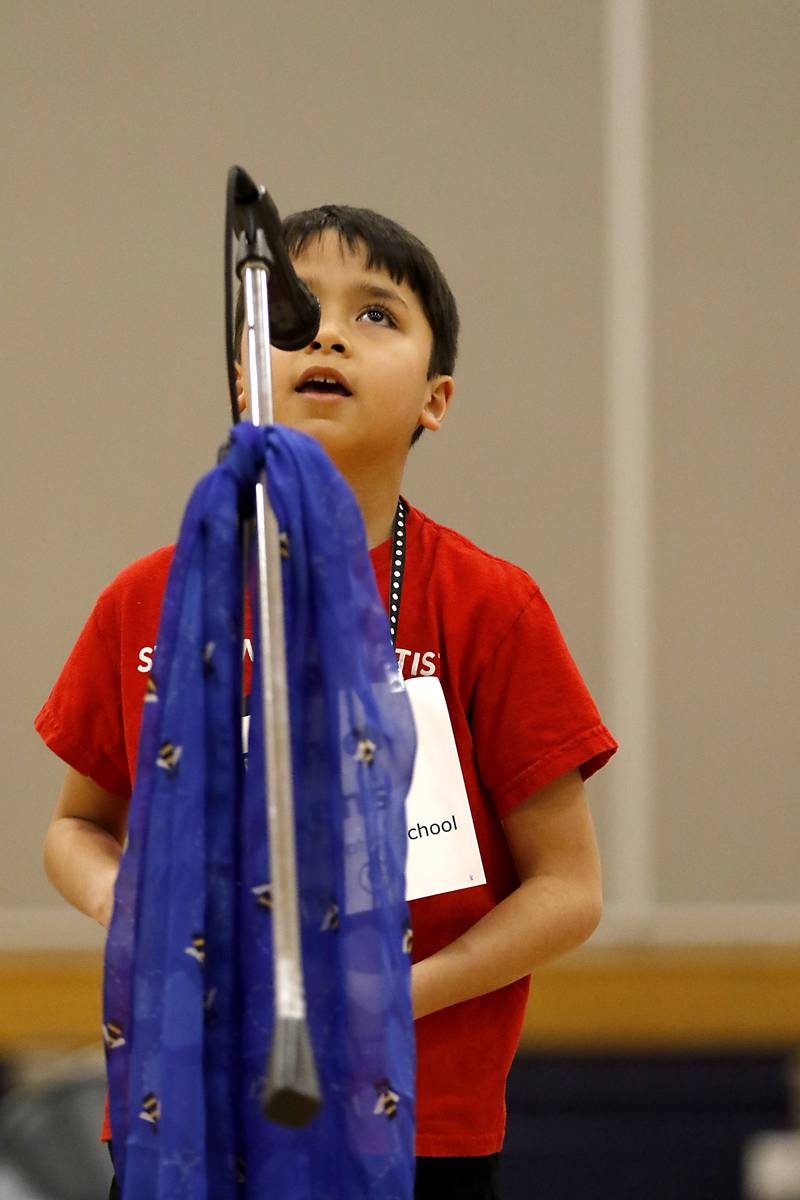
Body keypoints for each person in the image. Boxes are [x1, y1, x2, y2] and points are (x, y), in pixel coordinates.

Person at [36, 205, 619, 1200]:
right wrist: (140, 911)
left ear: (435, 400)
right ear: (240, 382)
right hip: (190, 1102)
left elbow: (567, 891)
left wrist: (388, 996)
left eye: (375, 314)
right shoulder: (149, 601)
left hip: (416, 1116)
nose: (328, 333)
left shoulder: (490, 607)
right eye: (296, 312)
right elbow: (78, 830)